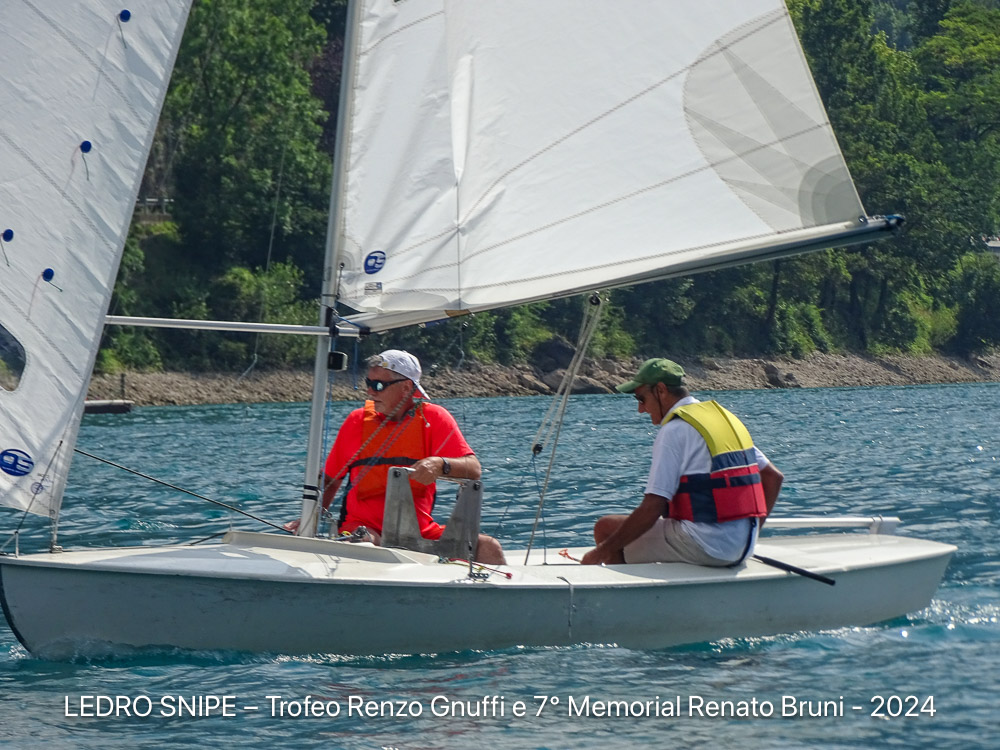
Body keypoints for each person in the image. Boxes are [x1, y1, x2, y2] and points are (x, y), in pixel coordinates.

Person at [291, 349, 505, 565]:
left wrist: (441, 464)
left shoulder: (434, 418)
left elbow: (473, 469)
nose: (370, 391)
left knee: (489, 547)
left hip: (419, 533)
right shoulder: (356, 422)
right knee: (363, 543)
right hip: (364, 529)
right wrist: (309, 518)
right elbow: (329, 479)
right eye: (368, 383)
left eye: (378, 385)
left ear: (406, 387)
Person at [581, 358, 782, 567]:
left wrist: (599, 553)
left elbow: (653, 507)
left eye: (641, 398)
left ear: (660, 390)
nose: (641, 409)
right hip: (743, 546)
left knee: (606, 528)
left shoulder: (674, 430)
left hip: (707, 546)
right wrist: (749, 537)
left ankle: (626, 587)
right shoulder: (722, 420)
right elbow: (773, 477)